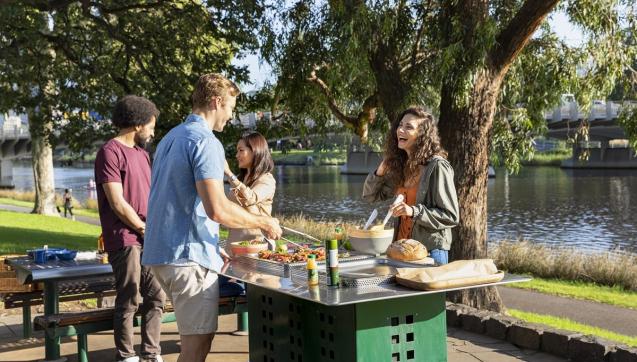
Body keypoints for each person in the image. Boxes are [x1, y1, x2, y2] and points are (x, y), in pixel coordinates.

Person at [142, 73, 282, 362]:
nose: (230, 116)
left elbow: (173, 200)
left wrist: (209, 242)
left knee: (195, 342)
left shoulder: (171, 137)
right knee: (196, 349)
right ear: (217, 101)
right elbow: (216, 208)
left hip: (160, 254)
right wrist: (263, 222)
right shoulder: (206, 142)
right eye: (230, 108)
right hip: (186, 258)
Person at [95, 95, 165, 362]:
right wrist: (142, 228)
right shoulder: (109, 152)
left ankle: (151, 353)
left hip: (149, 235)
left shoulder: (142, 155)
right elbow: (116, 201)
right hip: (125, 238)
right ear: (138, 123)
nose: (152, 131)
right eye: (151, 126)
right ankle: (126, 356)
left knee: (157, 296)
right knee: (130, 297)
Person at [362, 106, 459, 265]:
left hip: (429, 253)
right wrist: (380, 171)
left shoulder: (437, 167)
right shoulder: (401, 166)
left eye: (409, 127)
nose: (401, 130)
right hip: (400, 251)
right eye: (400, 125)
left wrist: (412, 211)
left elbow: (451, 216)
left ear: (422, 135)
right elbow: (370, 196)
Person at [224, 132, 276, 250]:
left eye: (241, 150)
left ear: (255, 150)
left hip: (256, 246)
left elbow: (250, 198)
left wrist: (229, 173)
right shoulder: (241, 179)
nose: (237, 155)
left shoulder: (267, 179)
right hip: (234, 245)